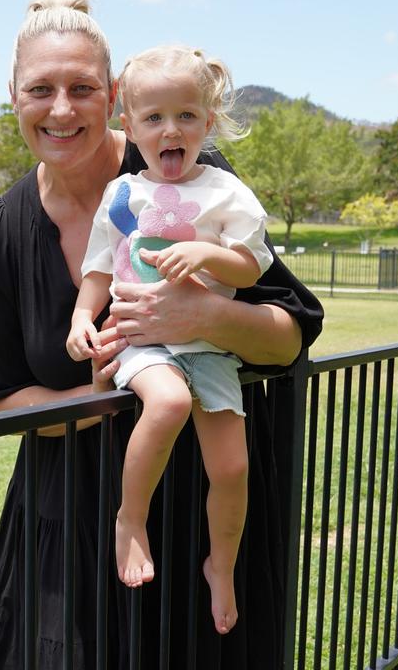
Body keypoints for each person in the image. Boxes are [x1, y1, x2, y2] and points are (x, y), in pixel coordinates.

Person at [0, 0, 323, 669]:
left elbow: (289, 336)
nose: (61, 109)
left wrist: (207, 316)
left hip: (195, 518)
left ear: (114, 95)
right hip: (64, 530)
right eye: (41, 89)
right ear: (13, 96)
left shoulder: (191, 178)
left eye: (81, 88)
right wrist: (101, 403)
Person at [66, 45, 269, 636]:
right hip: (141, 338)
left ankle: (221, 564)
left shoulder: (226, 192)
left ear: (207, 122)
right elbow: (101, 267)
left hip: (207, 345)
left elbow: (251, 265)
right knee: (170, 402)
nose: (170, 130)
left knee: (231, 467)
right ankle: (131, 519)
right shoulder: (122, 193)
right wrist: (83, 318)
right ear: (130, 127)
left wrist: (209, 254)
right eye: (153, 118)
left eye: (185, 116)